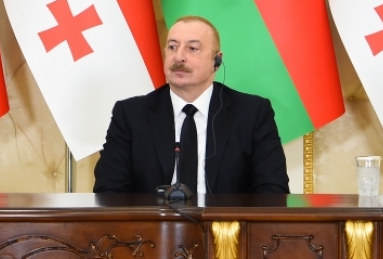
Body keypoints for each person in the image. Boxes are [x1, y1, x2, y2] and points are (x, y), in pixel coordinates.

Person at [93, 16, 289, 194]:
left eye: (192, 48)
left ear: (216, 61)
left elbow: (273, 191)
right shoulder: (130, 115)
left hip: (227, 223)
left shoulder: (252, 113)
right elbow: (108, 191)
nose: (179, 57)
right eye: (172, 47)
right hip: (151, 223)